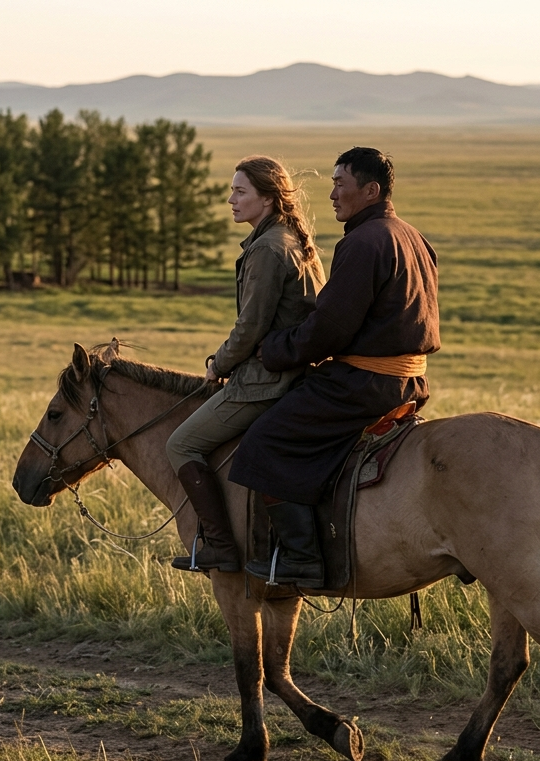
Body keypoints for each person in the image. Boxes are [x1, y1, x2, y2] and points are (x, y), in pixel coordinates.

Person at [230, 147, 440, 588]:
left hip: (363, 384)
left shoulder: (363, 243)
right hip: (409, 382)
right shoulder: (412, 237)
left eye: (340, 183)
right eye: (332, 183)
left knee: (265, 439)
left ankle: (302, 559)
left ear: (371, 190)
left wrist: (275, 350)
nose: (331, 194)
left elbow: (330, 328)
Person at [167, 156, 323, 573]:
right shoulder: (290, 239)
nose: (230, 199)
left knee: (180, 443)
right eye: (232, 190)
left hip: (267, 383)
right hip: (297, 373)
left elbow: (250, 325)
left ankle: (219, 546)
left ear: (268, 199)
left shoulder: (268, 249)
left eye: (240, 192)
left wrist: (218, 363)